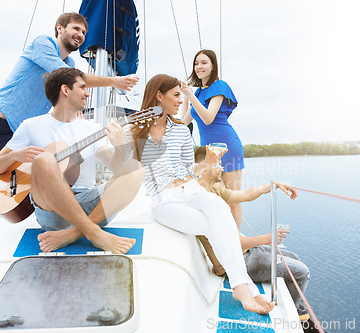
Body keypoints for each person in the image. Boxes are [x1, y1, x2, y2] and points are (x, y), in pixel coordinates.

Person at [0, 12, 139, 273]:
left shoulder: (70, 63)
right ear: (59, 28)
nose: (80, 35)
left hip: (24, 130)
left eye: (85, 33)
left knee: (41, 168)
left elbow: (64, 89)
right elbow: (66, 77)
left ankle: (72, 229)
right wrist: (114, 81)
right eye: (76, 29)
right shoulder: (43, 44)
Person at [126, 74, 274, 314]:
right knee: (212, 223)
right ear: (158, 96)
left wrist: (206, 163)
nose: (180, 100)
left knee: (219, 207)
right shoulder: (137, 132)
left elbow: (187, 170)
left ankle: (240, 286)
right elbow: (124, 168)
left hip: (191, 190)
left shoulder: (181, 131)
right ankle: (245, 288)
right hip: (164, 198)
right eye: (176, 95)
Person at [0, 67, 143, 261]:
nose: (88, 93)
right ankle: (94, 234)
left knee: (135, 168)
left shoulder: (92, 128)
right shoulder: (31, 126)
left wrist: (120, 147)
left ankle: (73, 234)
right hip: (52, 210)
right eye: (83, 87)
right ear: (66, 90)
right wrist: (15, 156)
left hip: (89, 205)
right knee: (44, 159)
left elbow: (114, 167)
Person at [194, 146, 320, 332]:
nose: (222, 167)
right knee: (302, 271)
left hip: (246, 252)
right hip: (240, 260)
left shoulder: (214, 190)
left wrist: (272, 185)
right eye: (218, 163)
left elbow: (245, 194)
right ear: (203, 166)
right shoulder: (202, 200)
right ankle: (297, 316)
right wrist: (266, 238)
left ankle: (298, 309)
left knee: (293, 256)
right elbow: (230, 244)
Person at [180, 49, 245, 230]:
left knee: (232, 199)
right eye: (196, 63)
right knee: (213, 198)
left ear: (213, 66)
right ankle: (219, 239)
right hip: (208, 152)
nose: (199, 66)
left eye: (204, 62)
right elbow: (183, 123)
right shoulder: (198, 93)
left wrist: (190, 96)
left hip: (228, 147)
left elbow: (208, 118)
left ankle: (236, 245)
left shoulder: (219, 86)